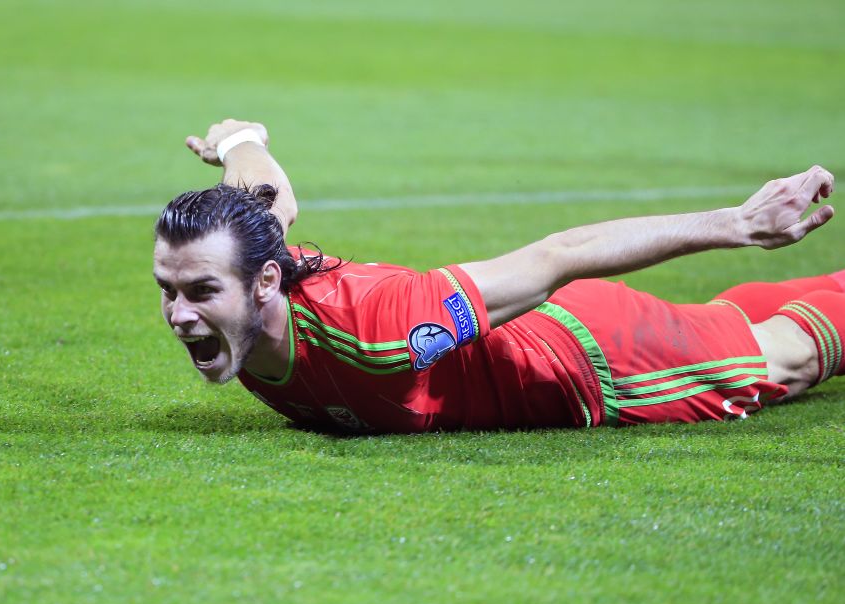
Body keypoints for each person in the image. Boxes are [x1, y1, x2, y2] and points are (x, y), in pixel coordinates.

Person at [152, 119, 843, 433]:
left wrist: (739, 224)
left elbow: (556, 257)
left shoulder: (387, 329)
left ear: (265, 283)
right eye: (168, 290)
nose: (181, 314)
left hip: (588, 363)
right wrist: (242, 141)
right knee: (738, 326)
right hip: (569, 339)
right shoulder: (247, 267)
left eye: (202, 292)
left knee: (785, 359)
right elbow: (267, 200)